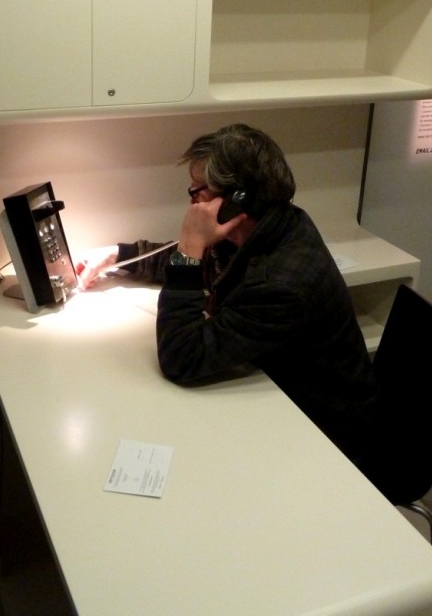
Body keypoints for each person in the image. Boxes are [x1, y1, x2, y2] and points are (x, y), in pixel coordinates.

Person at [76, 123, 378, 465]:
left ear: (237, 199)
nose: (192, 202)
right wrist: (120, 254)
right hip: (275, 400)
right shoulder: (270, 224)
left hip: (326, 440)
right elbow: (202, 263)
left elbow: (181, 357)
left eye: (197, 191)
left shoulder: (279, 285)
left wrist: (190, 247)